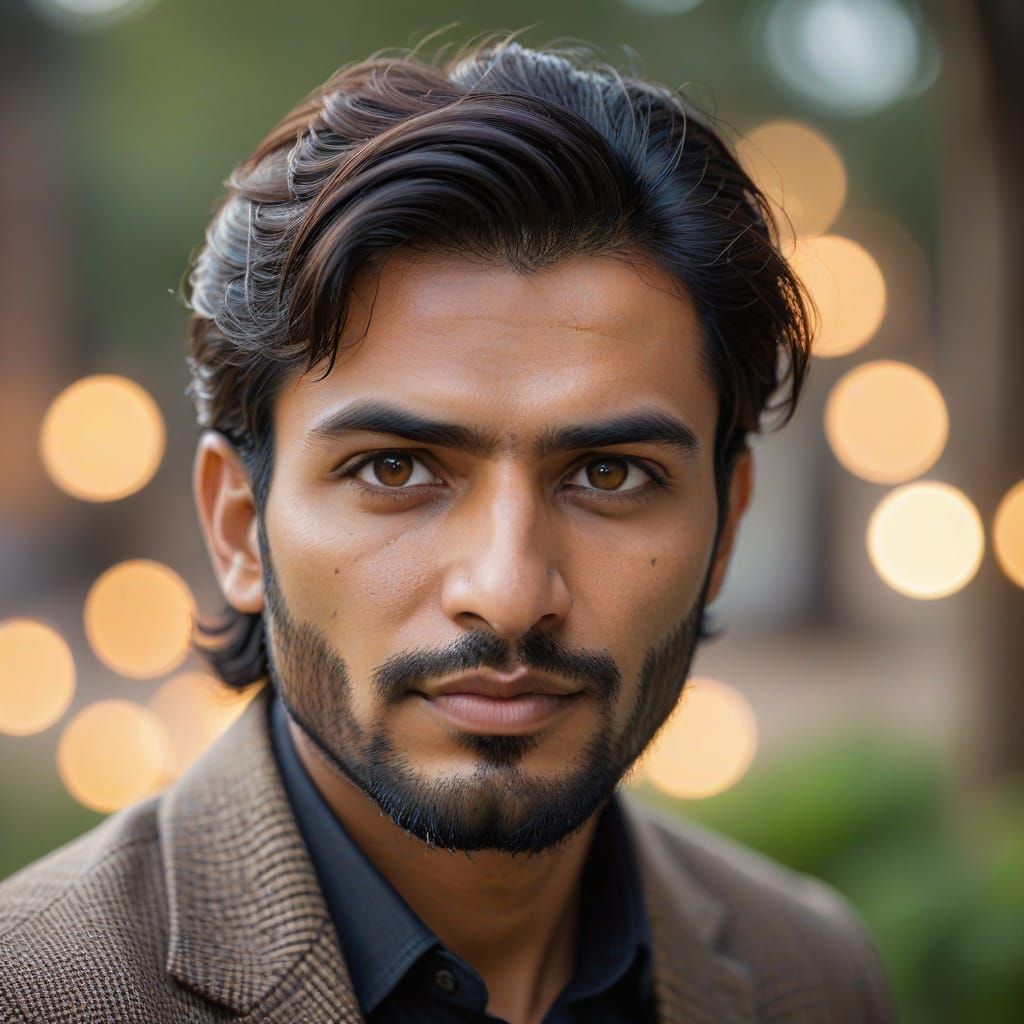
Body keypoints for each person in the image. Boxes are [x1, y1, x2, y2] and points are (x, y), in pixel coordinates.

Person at [0, 39, 894, 1024]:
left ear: (725, 527)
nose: (508, 592)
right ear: (238, 523)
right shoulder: (33, 991)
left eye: (609, 474)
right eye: (394, 469)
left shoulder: (813, 975)